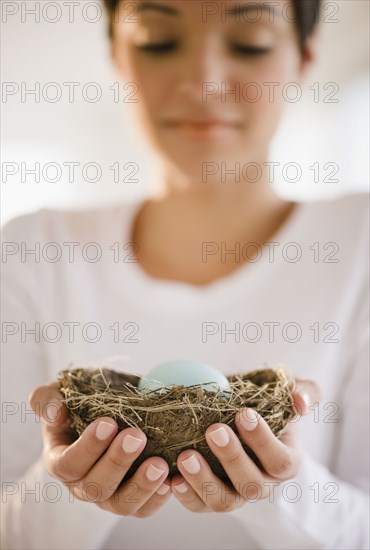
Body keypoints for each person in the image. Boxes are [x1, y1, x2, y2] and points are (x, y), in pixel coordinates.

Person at [1, 1, 369, 548]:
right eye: (157, 40)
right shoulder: (34, 251)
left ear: (304, 58)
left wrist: (284, 491)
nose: (204, 82)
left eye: (250, 44)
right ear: (117, 57)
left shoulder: (359, 243)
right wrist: (68, 490)